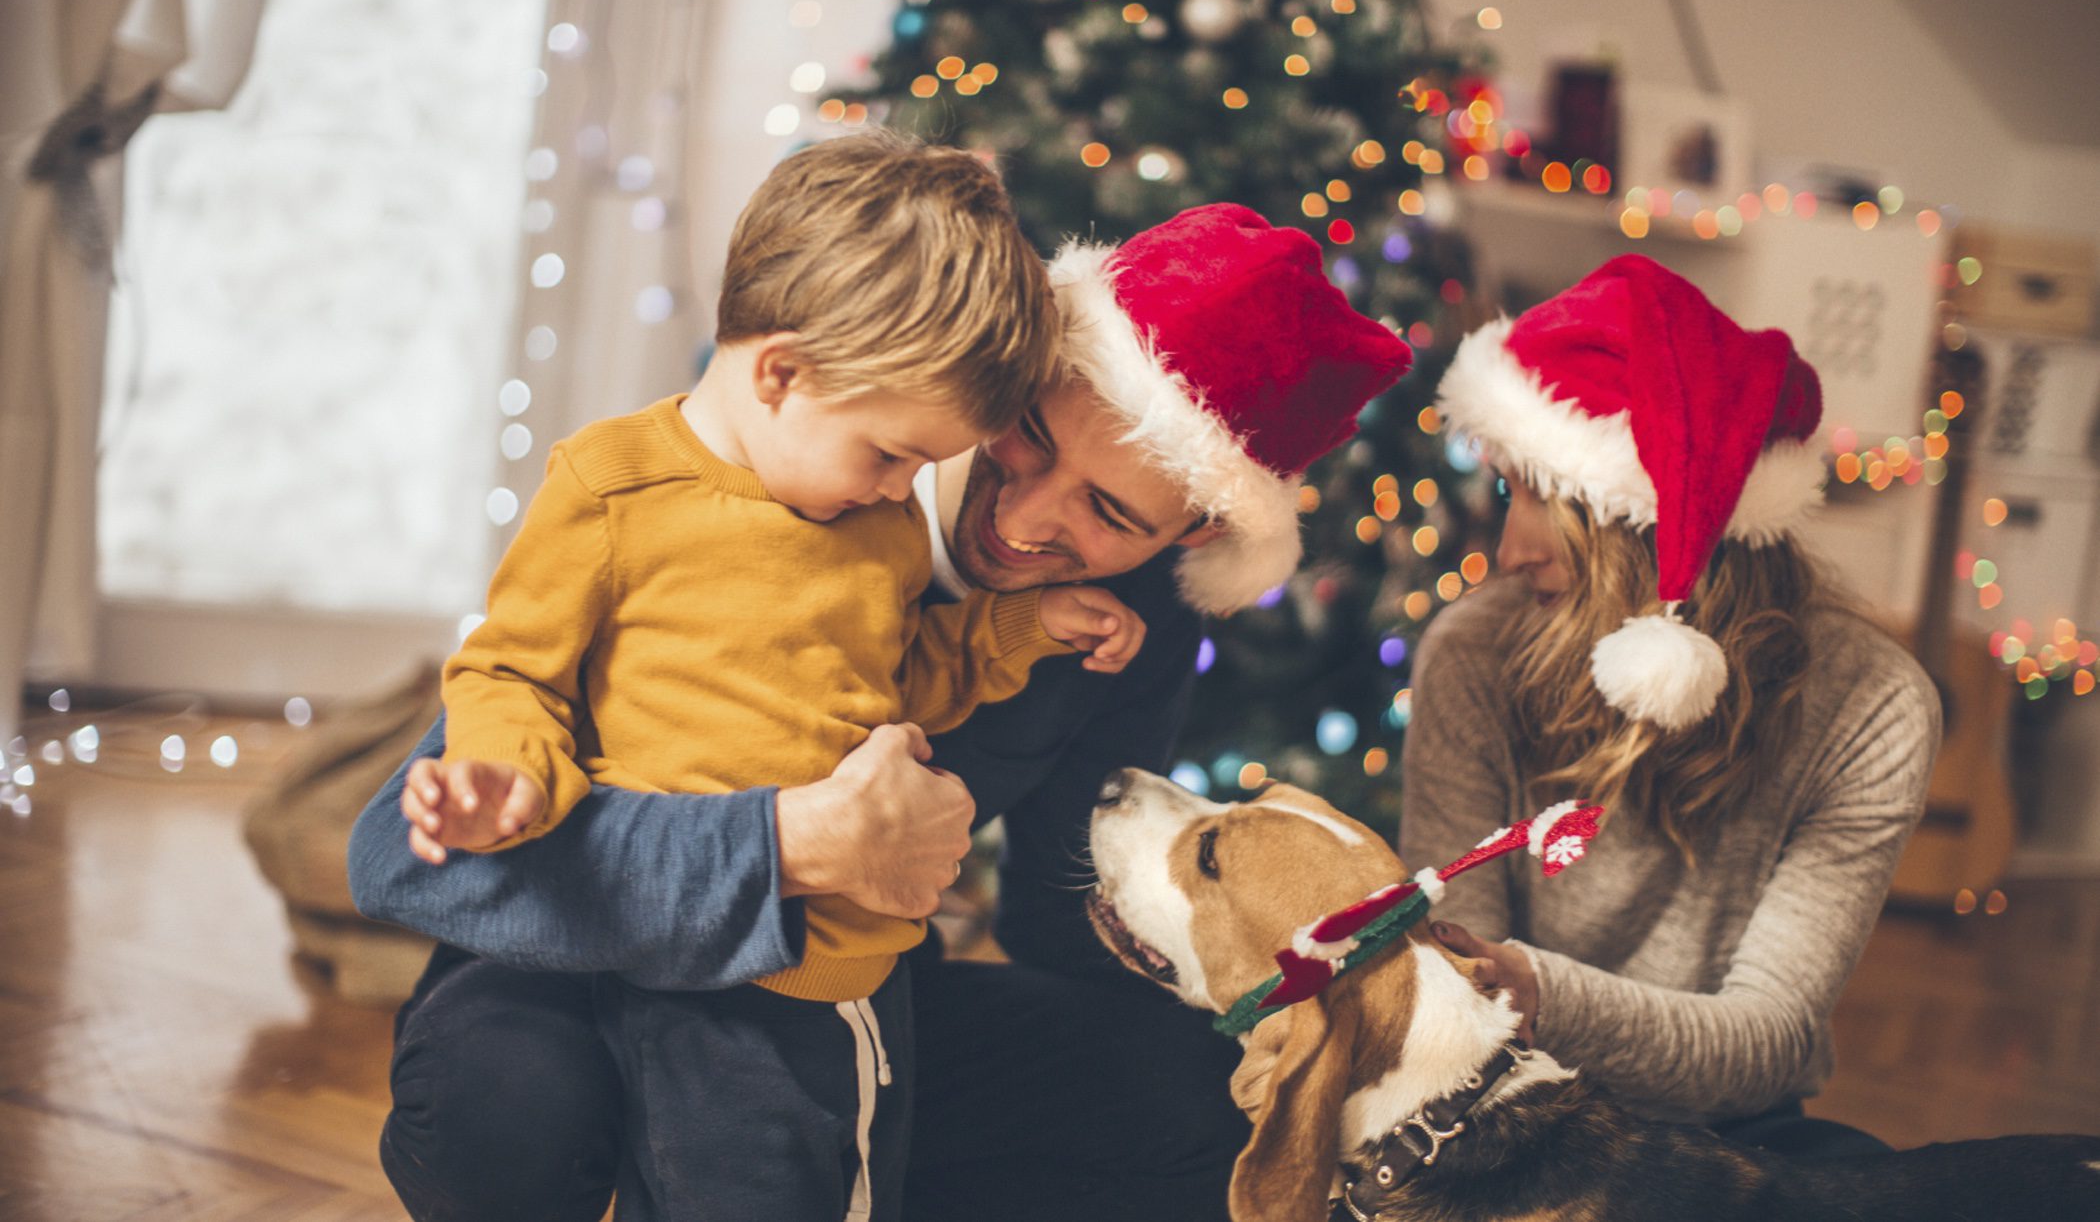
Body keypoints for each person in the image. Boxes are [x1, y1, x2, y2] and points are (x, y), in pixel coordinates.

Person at [348, 201, 1415, 1221]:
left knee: (1199, 1097)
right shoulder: (757, 474)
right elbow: (403, 857)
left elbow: (1057, 914)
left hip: (818, 992)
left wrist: (1310, 974)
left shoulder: (1126, 628)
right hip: (575, 965)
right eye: (1030, 433)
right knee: (511, 1101)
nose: (1030, 515)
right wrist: (788, 845)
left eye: (1110, 510)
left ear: (1188, 536)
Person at [385, 130, 1166, 1222]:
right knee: (524, 1099)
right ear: (781, 372)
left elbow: (909, 675)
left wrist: (1021, 629)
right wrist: (498, 774)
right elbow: (512, 668)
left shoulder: (873, 522)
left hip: (799, 976)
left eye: (915, 461)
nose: (904, 484)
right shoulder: (612, 488)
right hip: (605, 952)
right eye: (891, 451)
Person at [1402, 254, 1938, 1159]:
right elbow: (1457, 984)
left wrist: (1536, 991)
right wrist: (1500, 997)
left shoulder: (1874, 711)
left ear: (1659, 528)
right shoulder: (1473, 657)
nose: (1508, 549)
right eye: (1507, 491)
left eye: (1553, 499)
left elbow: (1766, 1038)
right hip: (1507, 1094)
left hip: (1722, 1127)